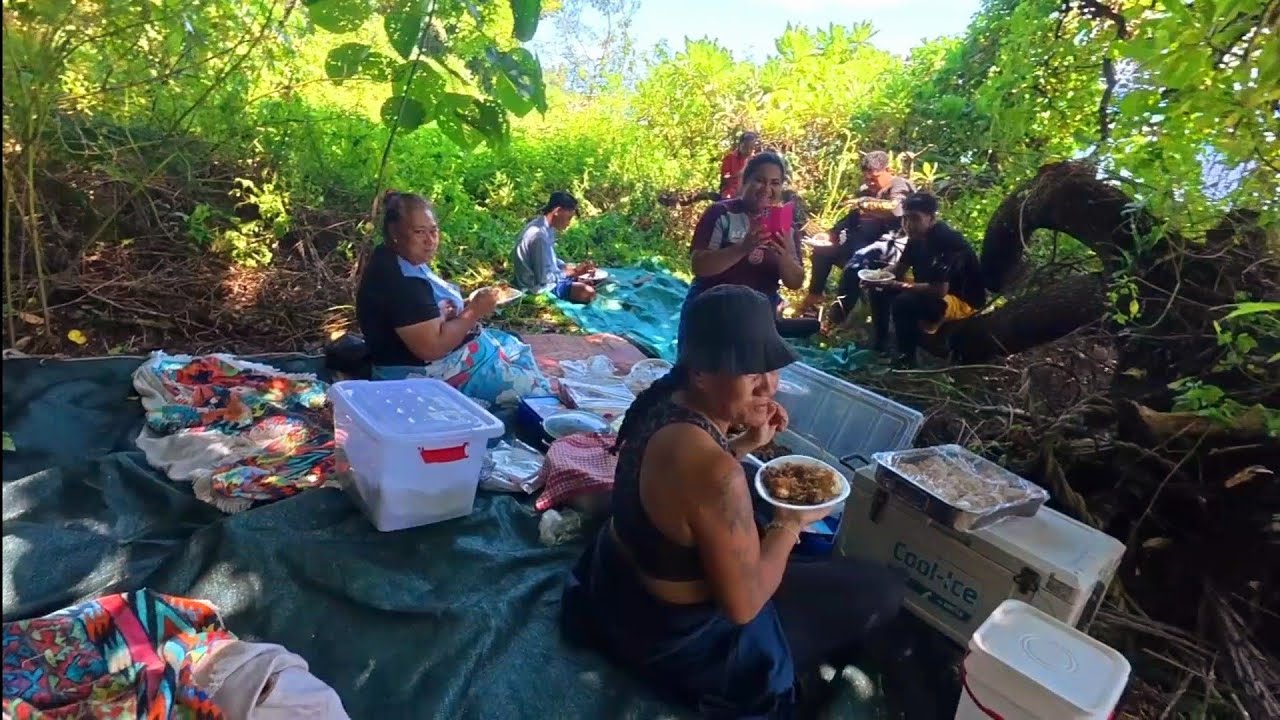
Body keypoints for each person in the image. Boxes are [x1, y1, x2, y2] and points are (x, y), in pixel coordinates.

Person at [561, 285, 927, 719]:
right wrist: (790, 523)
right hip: (677, 638)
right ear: (700, 372)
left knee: (803, 559)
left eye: (770, 367)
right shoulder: (715, 473)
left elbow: (680, 490)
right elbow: (743, 607)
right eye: (748, 371)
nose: (768, 385)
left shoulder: (660, 402)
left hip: (618, 590)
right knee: (883, 588)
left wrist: (745, 443)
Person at [357, 190, 551, 406]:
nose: (430, 241)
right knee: (538, 397)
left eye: (433, 231)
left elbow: (421, 315)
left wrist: (459, 308)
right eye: (419, 232)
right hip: (420, 376)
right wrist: (474, 311)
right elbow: (432, 347)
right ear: (395, 232)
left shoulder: (396, 256)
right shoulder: (402, 283)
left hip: (438, 356)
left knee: (513, 343)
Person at [681, 152, 805, 341]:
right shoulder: (721, 213)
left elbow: (795, 283)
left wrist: (784, 256)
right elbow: (699, 266)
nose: (767, 189)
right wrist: (742, 248)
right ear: (745, 181)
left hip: (758, 315)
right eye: (760, 180)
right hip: (713, 307)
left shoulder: (786, 226)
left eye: (775, 183)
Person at [857, 192, 986, 368]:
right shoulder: (916, 237)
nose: (908, 225)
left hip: (960, 299)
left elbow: (939, 290)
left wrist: (896, 285)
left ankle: (906, 360)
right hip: (935, 289)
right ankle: (881, 345)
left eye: (915, 219)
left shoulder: (946, 240)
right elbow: (899, 269)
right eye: (905, 219)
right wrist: (876, 277)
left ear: (931, 218)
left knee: (905, 302)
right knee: (879, 289)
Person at [798, 151, 914, 318]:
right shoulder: (864, 191)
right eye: (867, 179)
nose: (870, 183)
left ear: (889, 170)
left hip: (889, 245)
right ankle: (814, 298)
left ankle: (837, 317)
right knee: (823, 251)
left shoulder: (899, 184)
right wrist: (830, 234)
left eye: (875, 178)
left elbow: (896, 209)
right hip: (860, 242)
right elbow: (851, 219)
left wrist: (864, 203)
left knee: (855, 265)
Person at [511, 191, 597, 305]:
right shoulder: (538, 236)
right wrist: (574, 272)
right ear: (557, 211)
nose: (569, 223)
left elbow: (548, 259)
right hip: (535, 286)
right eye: (569, 218)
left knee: (590, 281)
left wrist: (569, 267)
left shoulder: (545, 227)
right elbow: (543, 279)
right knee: (588, 292)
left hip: (548, 277)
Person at [719, 132, 760, 200]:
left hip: (749, 191)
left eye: (751, 148)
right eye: (745, 147)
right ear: (740, 145)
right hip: (730, 191)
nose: (748, 150)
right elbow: (725, 178)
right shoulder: (730, 158)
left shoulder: (756, 159)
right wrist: (742, 171)